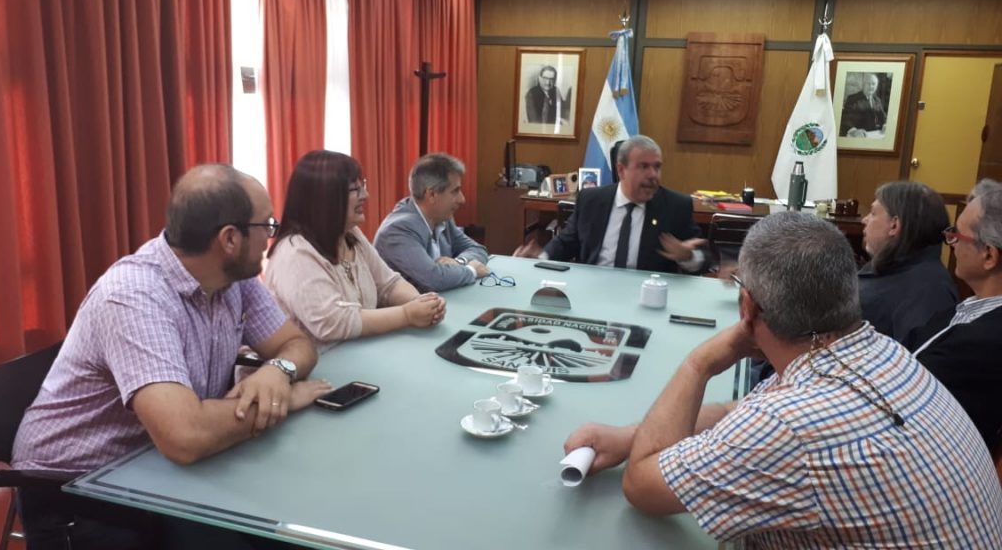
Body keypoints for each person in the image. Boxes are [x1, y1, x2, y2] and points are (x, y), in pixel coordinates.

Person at [564, 211, 1002, 547]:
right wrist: (632, 436)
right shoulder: (879, 352)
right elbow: (740, 412)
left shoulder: (789, 424)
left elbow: (642, 486)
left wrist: (698, 363)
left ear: (747, 306)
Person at [11, 164, 334, 549]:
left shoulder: (233, 279)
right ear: (229, 239)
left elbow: (296, 344)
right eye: (266, 226)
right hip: (77, 489)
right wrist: (283, 402)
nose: (270, 237)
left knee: (291, 533)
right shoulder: (134, 296)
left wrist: (277, 373)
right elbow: (185, 436)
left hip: (158, 468)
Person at [265, 150, 446, 354]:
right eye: (355, 190)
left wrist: (422, 304)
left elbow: (389, 284)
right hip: (314, 371)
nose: (366, 196)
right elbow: (332, 323)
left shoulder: (352, 234)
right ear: (326, 197)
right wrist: (406, 314)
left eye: (363, 187)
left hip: (361, 356)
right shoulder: (294, 253)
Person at [514, 134, 708, 274]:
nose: (653, 175)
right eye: (643, 167)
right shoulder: (591, 201)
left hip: (647, 296)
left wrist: (687, 257)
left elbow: (705, 259)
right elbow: (566, 243)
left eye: (657, 167)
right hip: (593, 290)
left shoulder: (675, 206)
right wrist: (540, 259)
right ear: (621, 170)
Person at [908, 178, 1002, 464]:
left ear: (989, 255)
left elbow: (905, 387)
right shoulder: (971, 307)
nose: (950, 244)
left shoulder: (985, 341)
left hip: (930, 462)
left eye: (957, 236)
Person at [858, 181, 957, 343]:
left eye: (873, 213)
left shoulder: (928, 292)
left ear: (894, 225)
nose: (864, 220)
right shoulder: (896, 266)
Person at [375, 153, 489, 292]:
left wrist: (458, 262)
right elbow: (434, 278)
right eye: (455, 191)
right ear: (431, 195)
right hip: (408, 310)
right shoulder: (397, 230)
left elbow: (478, 250)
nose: (462, 199)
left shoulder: (442, 217)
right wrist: (472, 271)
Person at [840, 73, 887, 137]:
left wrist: (886, 124)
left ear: (876, 86)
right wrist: (853, 131)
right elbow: (845, 119)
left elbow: (883, 116)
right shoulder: (853, 98)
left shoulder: (877, 100)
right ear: (863, 85)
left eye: (873, 84)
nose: (871, 86)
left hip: (875, 134)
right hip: (860, 136)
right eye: (868, 83)